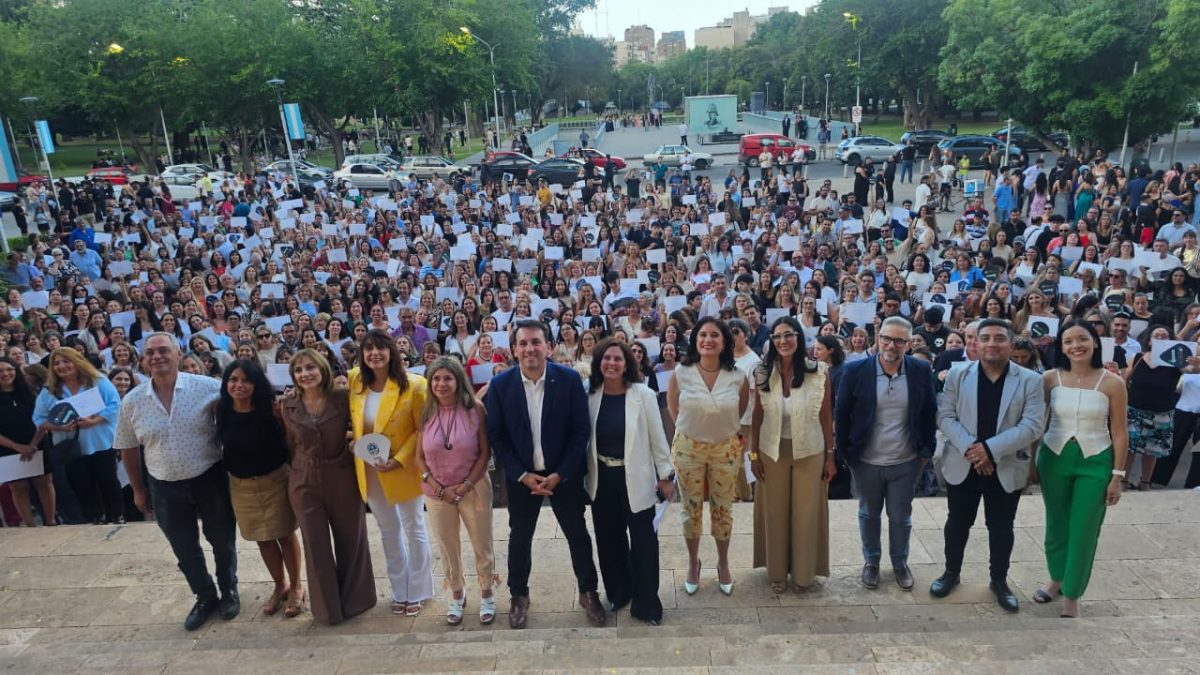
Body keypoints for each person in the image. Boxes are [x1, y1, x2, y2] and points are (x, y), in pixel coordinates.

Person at [114, 333, 239, 631]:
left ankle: (229, 590)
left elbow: (237, 418)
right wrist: (138, 489)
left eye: (163, 350)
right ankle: (205, 596)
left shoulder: (208, 387)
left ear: (178, 353)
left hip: (209, 477)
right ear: (143, 360)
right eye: (150, 353)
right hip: (164, 484)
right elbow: (128, 447)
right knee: (183, 547)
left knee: (222, 541)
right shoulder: (133, 401)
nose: (157, 357)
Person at [485, 319, 603, 629]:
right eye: (523, 343)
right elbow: (497, 436)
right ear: (514, 350)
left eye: (536, 342)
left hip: (563, 475)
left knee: (577, 534)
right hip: (522, 477)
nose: (530, 349)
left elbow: (580, 431)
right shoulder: (500, 385)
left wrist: (560, 474)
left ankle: (588, 591)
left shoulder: (569, 379)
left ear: (548, 347)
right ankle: (518, 595)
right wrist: (521, 474)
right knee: (520, 538)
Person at [931, 319, 1046, 612]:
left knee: (1001, 526)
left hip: (1005, 464)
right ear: (976, 343)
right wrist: (974, 451)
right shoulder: (957, 375)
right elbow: (945, 416)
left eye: (999, 338)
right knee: (957, 523)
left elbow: (1033, 426)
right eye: (985, 338)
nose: (992, 343)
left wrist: (990, 451)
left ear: (1011, 344)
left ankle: (999, 580)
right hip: (964, 462)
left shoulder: (1030, 380)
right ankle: (951, 572)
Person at [834, 316, 937, 592]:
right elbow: (842, 414)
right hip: (865, 460)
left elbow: (929, 411)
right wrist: (845, 453)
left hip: (905, 460)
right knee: (869, 514)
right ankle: (872, 561)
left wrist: (925, 452)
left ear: (909, 344)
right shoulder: (855, 370)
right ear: (878, 339)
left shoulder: (919, 369)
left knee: (901, 516)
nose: (892, 345)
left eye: (899, 341)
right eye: (887, 339)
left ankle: (900, 562)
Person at [1034, 319, 1128, 618]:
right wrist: (1031, 461)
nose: (1076, 345)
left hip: (1096, 460)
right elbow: (1038, 421)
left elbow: (1120, 431)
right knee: (1056, 523)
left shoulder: (1112, 382)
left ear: (1095, 342)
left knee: (1084, 528)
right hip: (1054, 457)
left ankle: (1072, 593)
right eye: (1069, 341)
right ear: (1061, 347)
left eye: (1083, 339)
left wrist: (1117, 476)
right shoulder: (1049, 378)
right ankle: (1056, 579)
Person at [280, 348, 376, 625]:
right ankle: (327, 610)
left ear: (322, 369)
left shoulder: (343, 398)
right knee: (315, 544)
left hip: (342, 475)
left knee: (351, 539)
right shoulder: (288, 405)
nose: (305, 374)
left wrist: (355, 443)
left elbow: (363, 428)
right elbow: (290, 443)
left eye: (310, 367)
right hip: (304, 480)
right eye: (298, 370)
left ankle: (357, 601)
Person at [585, 339, 675, 625]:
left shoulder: (644, 395)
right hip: (602, 479)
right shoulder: (590, 395)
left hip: (636, 478)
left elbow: (658, 438)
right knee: (609, 541)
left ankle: (646, 603)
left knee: (644, 542)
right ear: (599, 362)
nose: (611, 363)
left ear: (627, 364)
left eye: (618, 359)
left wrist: (666, 476)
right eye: (606, 358)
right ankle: (619, 592)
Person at [348, 329, 433, 616]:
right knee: (388, 530)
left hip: (403, 467)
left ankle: (419, 589)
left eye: (380, 348)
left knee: (414, 527)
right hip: (371, 468)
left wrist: (399, 459)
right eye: (368, 348)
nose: (374, 354)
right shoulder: (355, 380)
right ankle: (400, 589)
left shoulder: (415, 385)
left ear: (392, 351)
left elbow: (421, 429)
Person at [749, 317, 836, 594]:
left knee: (806, 513)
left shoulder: (819, 372)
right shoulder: (762, 372)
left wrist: (830, 455)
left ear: (799, 337)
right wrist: (753, 455)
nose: (783, 341)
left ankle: (803, 573)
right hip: (771, 450)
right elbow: (757, 415)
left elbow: (826, 416)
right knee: (774, 511)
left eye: (788, 335)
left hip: (810, 450)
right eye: (777, 337)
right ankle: (776, 571)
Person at [214, 359, 305, 618]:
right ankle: (280, 585)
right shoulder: (221, 409)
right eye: (233, 380)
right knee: (262, 538)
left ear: (256, 384)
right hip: (241, 485)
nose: (239, 385)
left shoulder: (272, 408)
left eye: (246, 380)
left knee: (284, 534)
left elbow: (290, 441)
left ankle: (297, 585)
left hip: (275, 480)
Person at [667, 317, 749, 596]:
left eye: (715, 335)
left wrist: (720, 429)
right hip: (688, 447)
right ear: (695, 340)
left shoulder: (737, 375)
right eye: (703, 334)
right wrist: (694, 430)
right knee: (690, 508)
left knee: (723, 508)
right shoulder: (681, 372)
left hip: (725, 448)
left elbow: (741, 409)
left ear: (724, 341)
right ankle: (693, 563)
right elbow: (674, 410)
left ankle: (723, 562)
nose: (708, 340)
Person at [414, 357, 497, 626]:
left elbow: (485, 452)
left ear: (458, 380)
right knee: (448, 547)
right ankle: (457, 594)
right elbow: (419, 458)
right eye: (436, 379)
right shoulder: (426, 412)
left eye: (447, 378)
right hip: (437, 493)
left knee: (481, 543)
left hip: (473, 488)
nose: (441, 384)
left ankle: (487, 592)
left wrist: (465, 485)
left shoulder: (475, 409)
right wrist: (438, 488)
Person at [32, 347, 123, 525]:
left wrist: (94, 421)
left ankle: (116, 516)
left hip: (101, 441)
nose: (61, 366)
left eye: (66, 361)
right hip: (71, 447)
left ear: (76, 361)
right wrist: (59, 427)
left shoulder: (97, 381)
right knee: (82, 484)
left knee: (108, 480)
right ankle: (95, 518)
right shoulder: (49, 390)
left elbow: (115, 404)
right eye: (56, 363)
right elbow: (38, 418)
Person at [0, 357, 55, 526]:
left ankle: (51, 522)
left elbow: (43, 418)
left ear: (16, 371)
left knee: (44, 483)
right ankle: (30, 526)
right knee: (19, 488)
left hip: (37, 443)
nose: (5, 373)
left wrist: (32, 445)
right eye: (1, 371)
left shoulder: (31, 392)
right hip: (8, 447)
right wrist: (17, 447)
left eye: (9, 369)